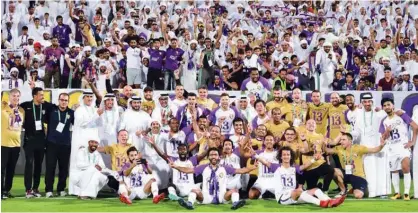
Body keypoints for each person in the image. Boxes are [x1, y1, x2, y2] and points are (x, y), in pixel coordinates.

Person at [170, 147, 255, 210]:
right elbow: (188, 170)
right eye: (211, 155)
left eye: (215, 154)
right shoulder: (203, 167)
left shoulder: (225, 168)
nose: (213, 156)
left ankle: (235, 203)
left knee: (234, 190)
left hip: (222, 197)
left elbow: (241, 170)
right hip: (206, 197)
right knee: (194, 191)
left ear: (219, 157)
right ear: (208, 157)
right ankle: (189, 204)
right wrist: (176, 166)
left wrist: (253, 167)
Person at [263, 147, 344, 208]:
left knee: (316, 190)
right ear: (280, 157)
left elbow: (305, 166)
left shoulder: (294, 168)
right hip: (282, 197)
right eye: (284, 155)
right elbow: (264, 162)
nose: (286, 156)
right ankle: (320, 203)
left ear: (291, 156)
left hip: (295, 194)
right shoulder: (276, 167)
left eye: (288, 154)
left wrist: (314, 159)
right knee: (299, 191)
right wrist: (254, 155)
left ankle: (330, 201)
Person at [325, 133, 388, 199]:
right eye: (341, 140)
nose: (341, 142)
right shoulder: (339, 148)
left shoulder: (358, 148)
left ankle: (356, 189)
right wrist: (323, 143)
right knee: (334, 171)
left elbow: (374, 150)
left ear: (350, 141)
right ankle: (344, 191)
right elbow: (327, 151)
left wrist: (381, 145)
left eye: (343, 140)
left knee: (358, 195)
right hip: (346, 174)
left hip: (357, 176)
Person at [350, 93, 390, 198]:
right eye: (365, 102)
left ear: (373, 102)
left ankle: (382, 192)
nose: (367, 104)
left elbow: (392, 115)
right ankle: (371, 192)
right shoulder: (358, 115)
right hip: (365, 147)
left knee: (381, 168)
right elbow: (357, 131)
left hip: (379, 145)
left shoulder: (380, 113)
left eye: (369, 101)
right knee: (368, 169)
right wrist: (349, 134)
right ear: (362, 103)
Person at [379, 98, 418, 201]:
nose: (387, 107)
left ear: (393, 105)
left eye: (389, 104)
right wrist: (387, 131)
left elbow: (415, 126)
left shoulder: (401, 115)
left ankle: (406, 193)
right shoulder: (384, 121)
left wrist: (413, 141)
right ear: (383, 108)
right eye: (385, 105)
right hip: (391, 148)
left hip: (403, 146)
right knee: (394, 171)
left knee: (405, 167)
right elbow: (382, 138)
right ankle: (397, 193)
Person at [69, 91, 103, 196]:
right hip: (81, 140)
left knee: (92, 163)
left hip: (92, 140)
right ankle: (76, 190)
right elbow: (82, 123)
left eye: (91, 97)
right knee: (80, 163)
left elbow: (98, 124)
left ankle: (90, 189)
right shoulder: (79, 110)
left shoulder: (94, 109)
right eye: (87, 97)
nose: (89, 99)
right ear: (83, 98)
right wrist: (96, 115)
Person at [20, 87, 49, 198]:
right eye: (41, 95)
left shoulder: (45, 106)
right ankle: (28, 189)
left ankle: (36, 188)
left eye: (43, 94)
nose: (43, 96)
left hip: (41, 140)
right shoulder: (25, 105)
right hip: (29, 140)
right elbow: (14, 109)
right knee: (29, 164)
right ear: (34, 96)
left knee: (38, 165)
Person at [44, 93, 74, 198]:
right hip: (51, 144)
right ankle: (49, 190)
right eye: (62, 100)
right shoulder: (52, 109)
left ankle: (61, 189)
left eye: (66, 100)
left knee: (63, 168)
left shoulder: (71, 113)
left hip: (65, 144)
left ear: (68, 101)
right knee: (50, 167)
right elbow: (42, 101)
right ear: (58, 100)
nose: (64, 102)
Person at [1, 89, 24, 200]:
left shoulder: (21, 111)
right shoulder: (2, 108)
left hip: (16, 145)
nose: (16, 98)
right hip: (3, 144)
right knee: (1, 169)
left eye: (18, 96)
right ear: (9, 97)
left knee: (11, 169)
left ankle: (6, 190)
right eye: (14, 96)